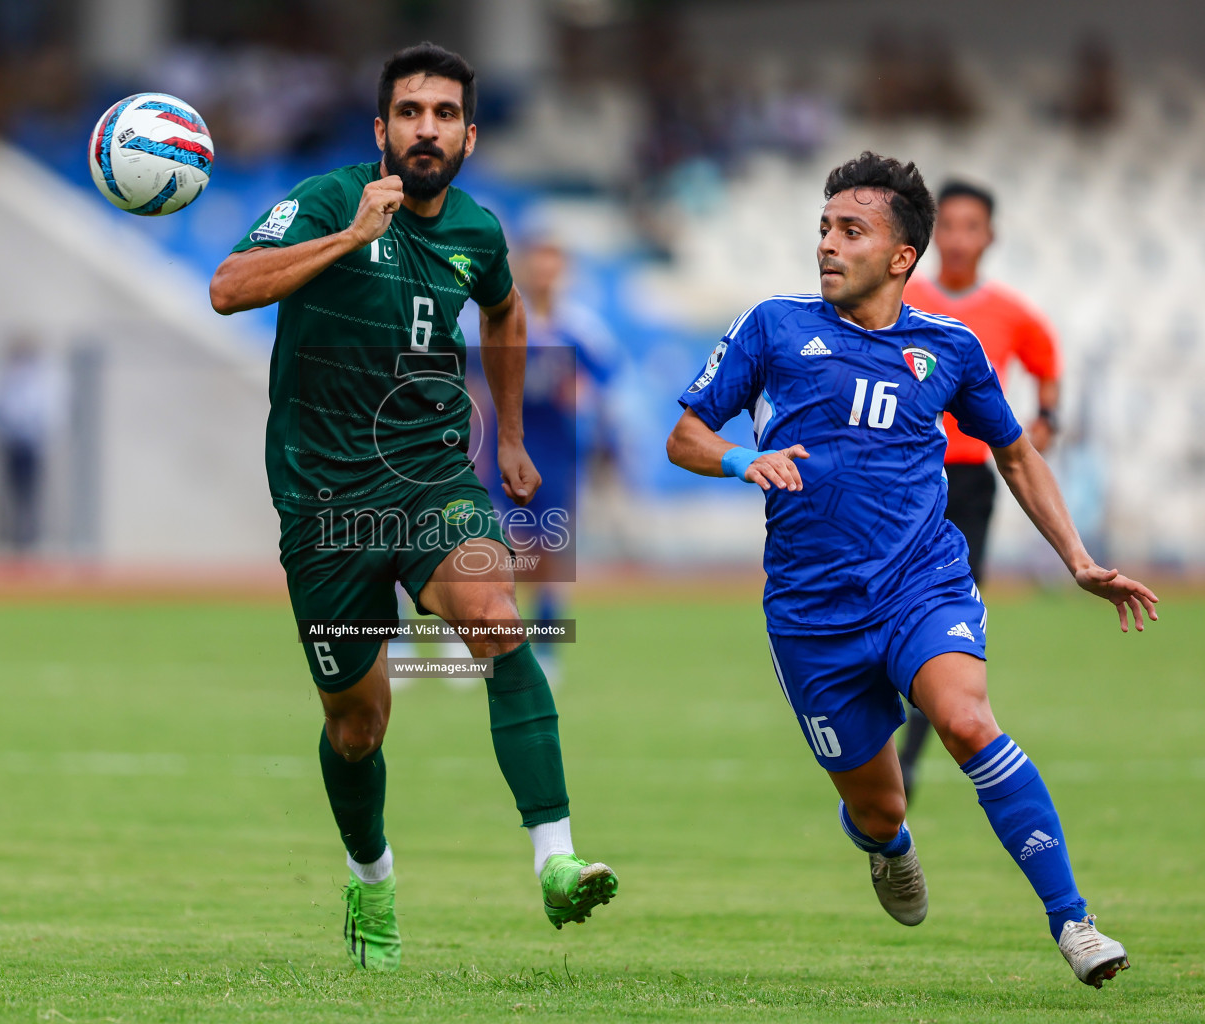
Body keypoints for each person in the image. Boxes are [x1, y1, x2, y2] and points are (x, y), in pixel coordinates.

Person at [665, 152, 1157, 988]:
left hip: (920, 584)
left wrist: (1078, 560)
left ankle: (1074, 921)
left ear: (901, 257)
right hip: (810, 612)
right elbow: (684, 436)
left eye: (850, 230)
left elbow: (1013, 451)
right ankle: (888, 846)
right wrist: (740, 460)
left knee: (967, 723)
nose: (827, 244)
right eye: (823, 227)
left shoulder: (949, 348)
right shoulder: (773, 327)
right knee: (878, 803)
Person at [208, 43, 617, 972]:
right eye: (408, 113)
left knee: (498, 619)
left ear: (468, 135)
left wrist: (509, 438)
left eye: (442, 114)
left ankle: (557, 861)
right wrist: (351, 236)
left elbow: (506, 314)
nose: (424, 128)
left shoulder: (478, 229)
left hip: (431, 480)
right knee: (357, 726)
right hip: (322, 503)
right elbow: (229, 287)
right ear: (381, 129)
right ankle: (372, 876)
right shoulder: (323, 200)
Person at [897, 180, 1063, 801]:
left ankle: (908, 757)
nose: (961, 238)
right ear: (936, 233)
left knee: (945, 618)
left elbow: (1048, 368)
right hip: (906, 472)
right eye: (952, 225)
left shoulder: (1013, 313)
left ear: (989, 236)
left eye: (974, 226)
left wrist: (1047, 418)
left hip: (970, 478)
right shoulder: (904, 300)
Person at [476, 235, 623, 685]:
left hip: (556, 457)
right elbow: (470, 385)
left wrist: (586, 400)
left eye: (551, 266)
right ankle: (483, 644)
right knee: (489, 552)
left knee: (551, 555)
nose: (543, 275)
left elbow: (605, 385)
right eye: (536, 266)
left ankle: (546, 648)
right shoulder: (492, 321)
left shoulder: (581, 328)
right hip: (499, 452)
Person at [0, 337, 65, 553]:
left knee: (30, 494)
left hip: (32, 444)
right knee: (9, 494)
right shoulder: (2, 376)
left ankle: (28, 538)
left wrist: (45, 437)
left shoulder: (43, 377)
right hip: (10, 443)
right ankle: (8, 538)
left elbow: (49, 410)